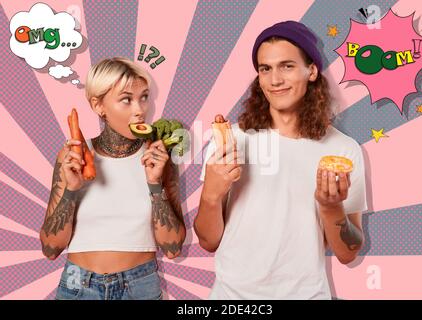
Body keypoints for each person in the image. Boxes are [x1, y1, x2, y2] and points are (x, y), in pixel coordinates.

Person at [194, 21, 368, 299]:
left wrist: (331, 207)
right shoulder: (231, 140)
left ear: (311, 71)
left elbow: (349, 252)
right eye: (265, 68)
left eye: (287, 66)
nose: (274, 80)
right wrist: (211, 196)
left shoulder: (343, 150)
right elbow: (208, 241)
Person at [40, 57, 186, 300]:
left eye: (144, 97)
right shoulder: (72, 156)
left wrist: (154, 183)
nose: (140, 110)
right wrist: (71, 190)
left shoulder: (158, 156)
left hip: (140, 285)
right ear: (99, 105)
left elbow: (172, 247)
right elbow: (50, 248)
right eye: (126, 99)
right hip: (78, 283)